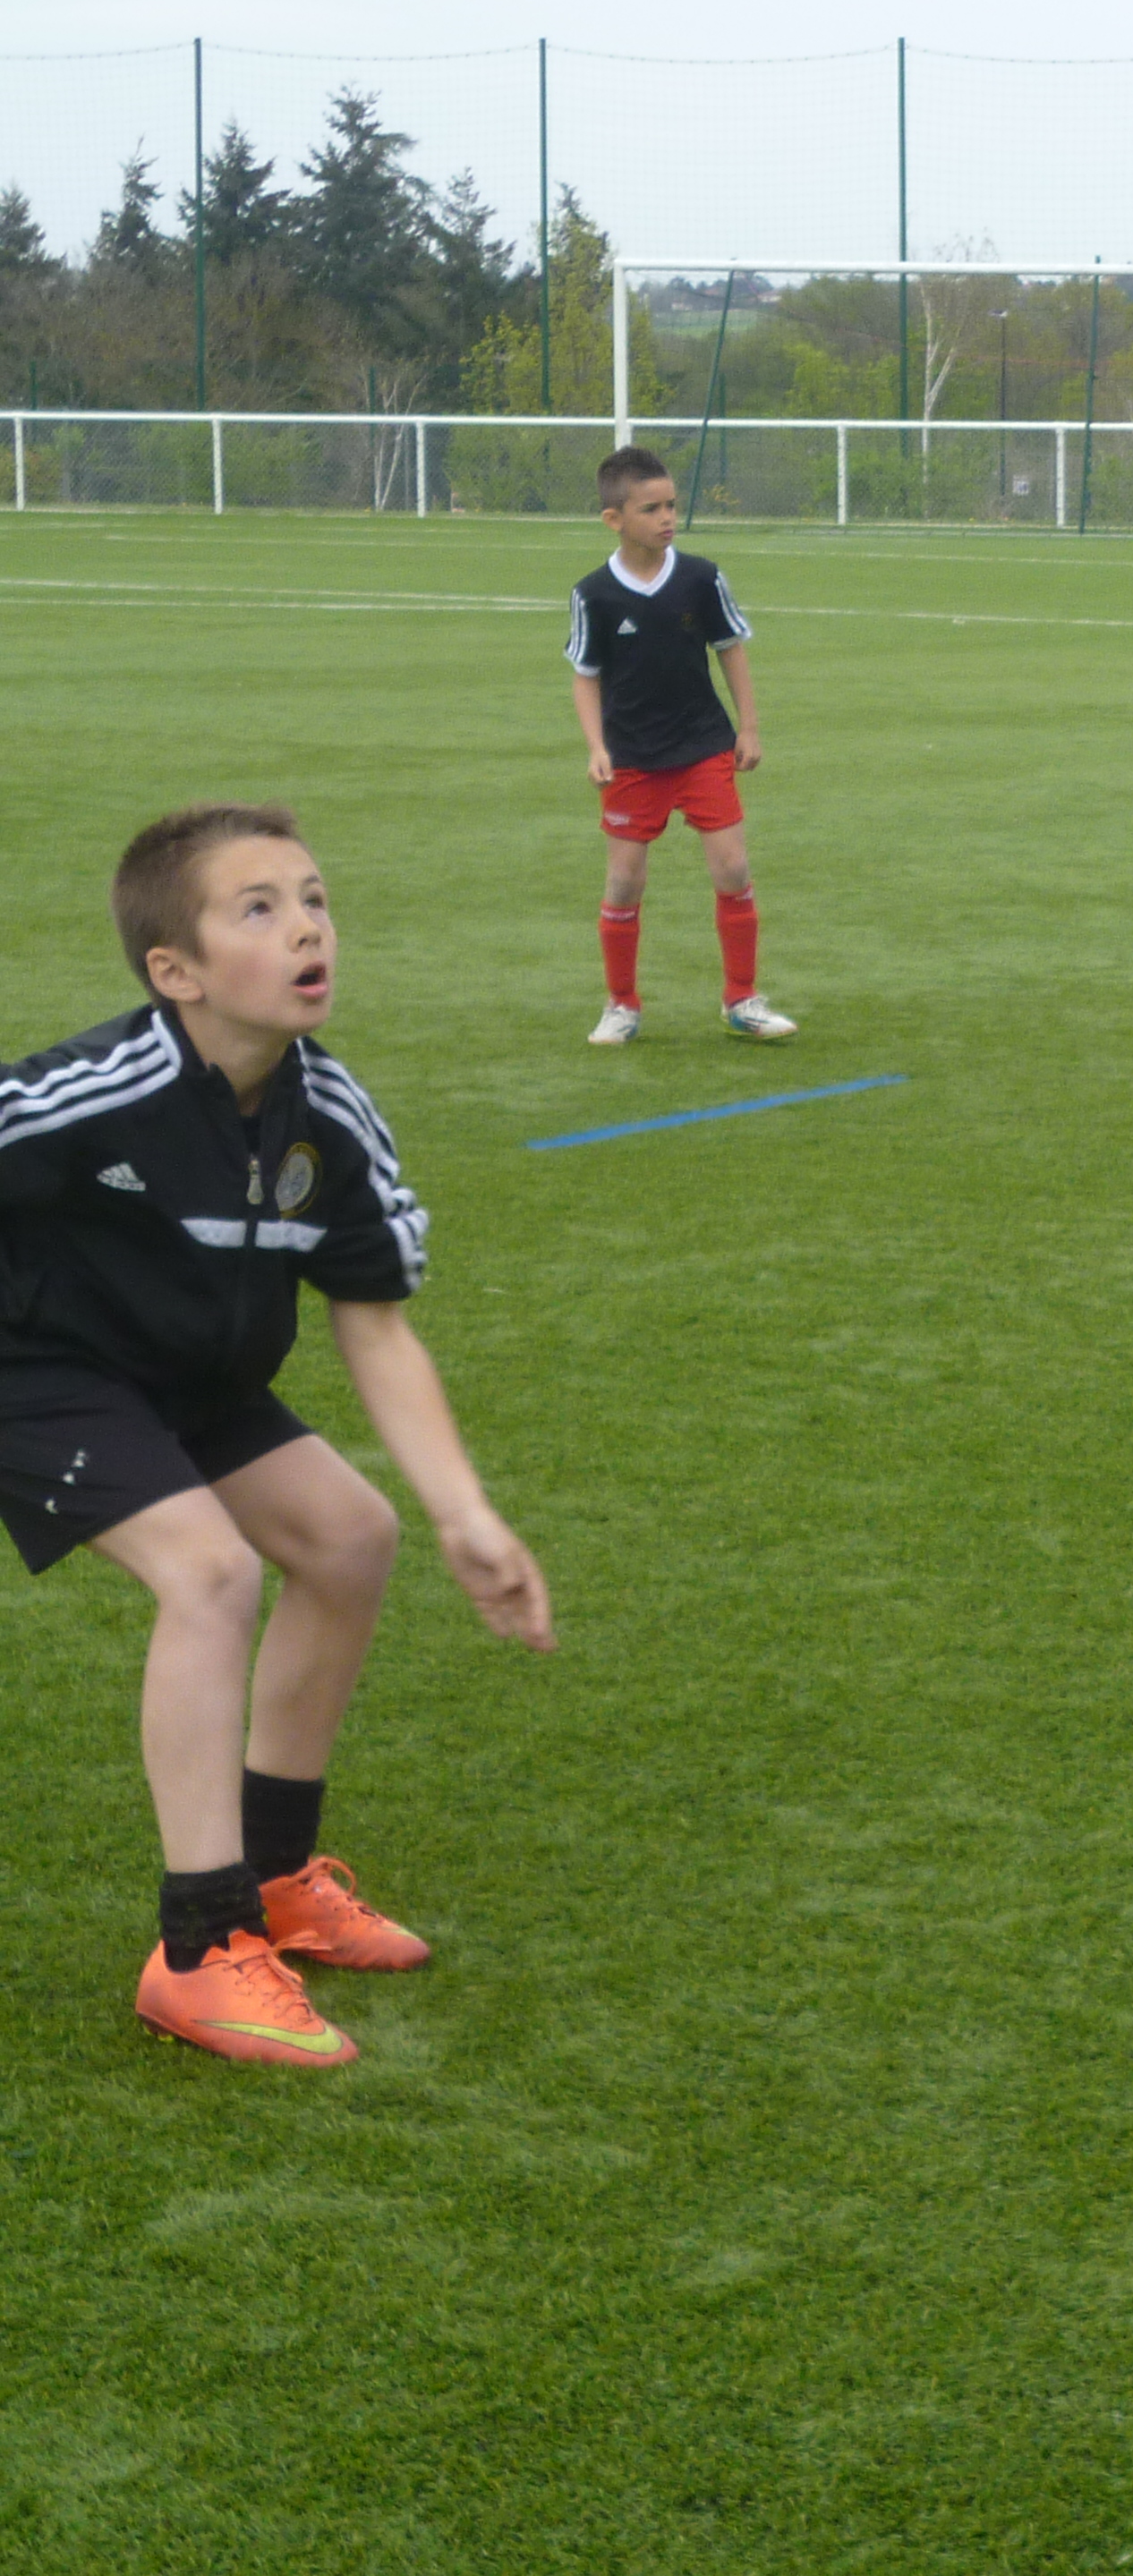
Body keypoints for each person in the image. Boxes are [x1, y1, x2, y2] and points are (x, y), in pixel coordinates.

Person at [0, 805, 554, 2069]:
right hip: (40, 1374)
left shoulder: (331, 1116)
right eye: (259, 908)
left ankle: (277, 1875)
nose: (308, 926)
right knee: (210, 1571)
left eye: (313, 898)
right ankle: (199, 1949)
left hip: (189, 1380)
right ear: (177, 971)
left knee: (351, 1538)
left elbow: (377, 1328)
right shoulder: (93, 1091)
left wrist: (466, 1514)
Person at [568, 446, 797, 1045]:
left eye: (671, 505)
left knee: (733, 867)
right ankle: (621, 1004)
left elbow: (731, 649)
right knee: (624, 882)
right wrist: (596, 746)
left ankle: (742, 998)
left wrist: (749, 727)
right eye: (651, 509)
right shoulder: (594, 594)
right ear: (614, 519)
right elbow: (585, 675)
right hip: (632, 757)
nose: (667, 517)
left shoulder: (701, 577)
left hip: (702, 745)